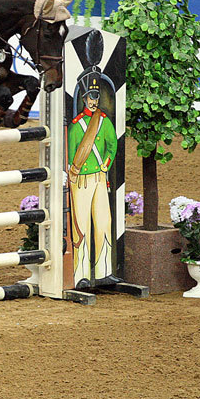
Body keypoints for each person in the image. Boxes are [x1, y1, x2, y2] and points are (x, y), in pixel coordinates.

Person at [67, 71, 119, 289]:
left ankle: (104, 270)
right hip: (82, 179)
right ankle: (80, 274)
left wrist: (105, 164)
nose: (94, 101)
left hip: (99, 176)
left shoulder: (104, 122)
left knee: (103, 222)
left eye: (96, 98)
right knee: (82, 226)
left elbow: (112, 144)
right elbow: (72, 152)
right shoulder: (77, 125)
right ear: (84, 99)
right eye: (90, 97)